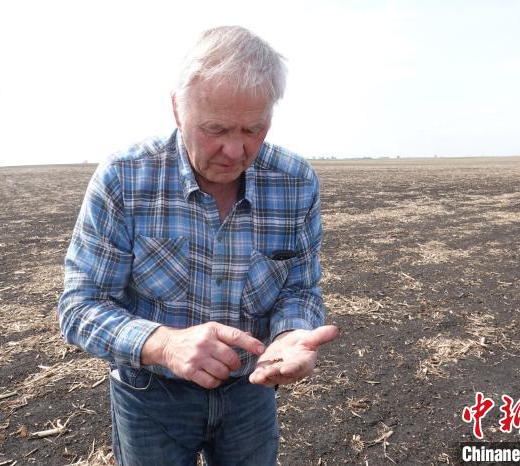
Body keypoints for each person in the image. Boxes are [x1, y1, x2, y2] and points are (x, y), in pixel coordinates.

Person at [58, 25, 339, 466]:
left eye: (253, 129)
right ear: (177, 108)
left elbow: (299, 288)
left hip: (251, 390)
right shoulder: (125, 179)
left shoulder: (294, 182)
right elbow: (81, 306)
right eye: (215, 129)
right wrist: (164, 344)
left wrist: (289, 334)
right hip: (151, 395)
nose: (234, 149)